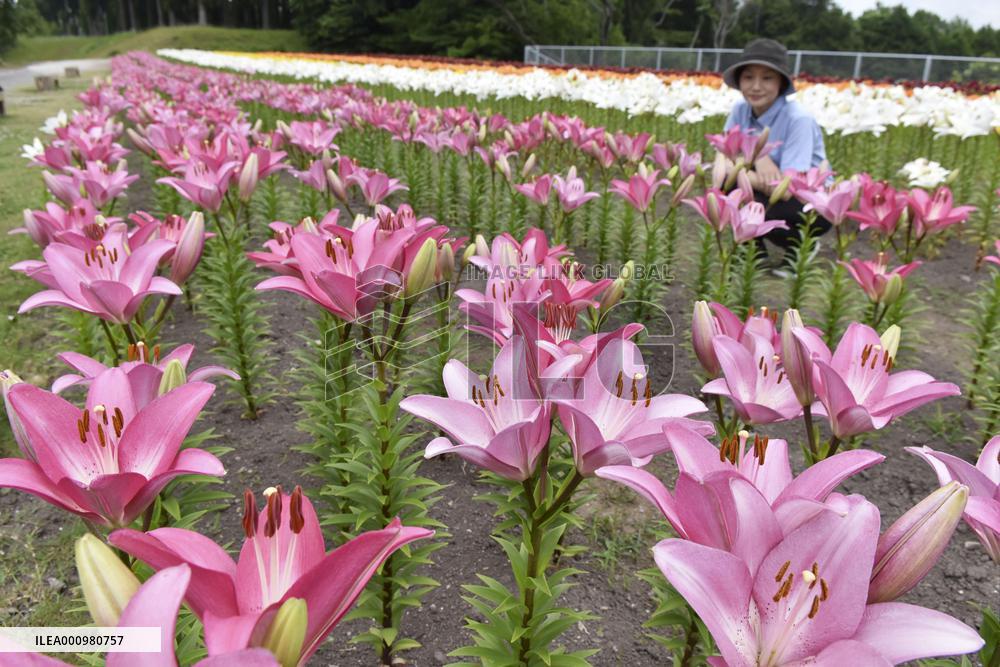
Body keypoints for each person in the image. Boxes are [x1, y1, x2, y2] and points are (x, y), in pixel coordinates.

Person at [722, 38, 831, 264]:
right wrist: (758, 158)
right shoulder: (740, 110)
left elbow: (788, 189)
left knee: (740, 188)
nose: (756, 86)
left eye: (767, 78)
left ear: (781, 83)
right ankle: (754, 254)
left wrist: (742, 167)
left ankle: (801, 246)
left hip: (808, 206)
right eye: (748, 77)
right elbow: (723, 158)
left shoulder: (798, 119)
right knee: (727, 187)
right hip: (770, 189)